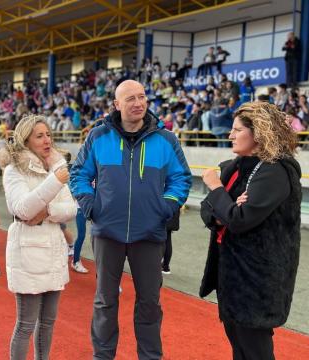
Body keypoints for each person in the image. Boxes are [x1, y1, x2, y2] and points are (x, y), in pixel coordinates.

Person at [70, 80, 192, 359]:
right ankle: (103, 356)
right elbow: (78, 174)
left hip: (149, 234)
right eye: (130, 99)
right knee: (105, 301)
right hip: (106, 232)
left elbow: (181, 179)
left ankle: (150, 356)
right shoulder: (99, 136)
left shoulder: (166, 139)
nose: (138, 103)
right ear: (116, 105)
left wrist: (165, 207)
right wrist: (89, 204)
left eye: (142, 97)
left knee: (150, 303)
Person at [199, 101, 301, 360]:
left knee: (255, 351)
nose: (230, 135)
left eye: (237, 130)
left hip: (257, 281)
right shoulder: (235, 166)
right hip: (233, 277)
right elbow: (210, 210)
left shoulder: (275, 171)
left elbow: (241, 219)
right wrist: (225, 211)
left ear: (258, 133)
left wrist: (216, 189)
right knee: (240, 348)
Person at [0, 114, 77, 360]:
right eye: (39, 136)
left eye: (49, 135)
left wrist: (47, 212)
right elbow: (21, 209)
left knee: (48, 322)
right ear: (26, 139)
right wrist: (54, 183)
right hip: (29, 253)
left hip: (53, 250)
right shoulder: (14, 170)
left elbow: (71, 209)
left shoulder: (56, 167)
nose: (47, 140)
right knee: (25, 324)